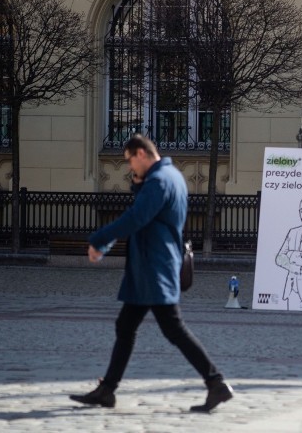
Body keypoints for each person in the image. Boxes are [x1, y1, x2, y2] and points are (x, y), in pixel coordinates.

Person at [69, 134, 232, 412]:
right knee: (126, 327)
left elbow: (137, 218)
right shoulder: (170, 176)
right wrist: (136, 187)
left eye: (130, 161)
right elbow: (147, 213)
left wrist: (98, 240)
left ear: (141, 154)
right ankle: (107, 390)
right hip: (150, 265)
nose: (130, 167)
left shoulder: (159, 181)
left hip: (154, 266)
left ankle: (216, 382)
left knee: (173, 329)